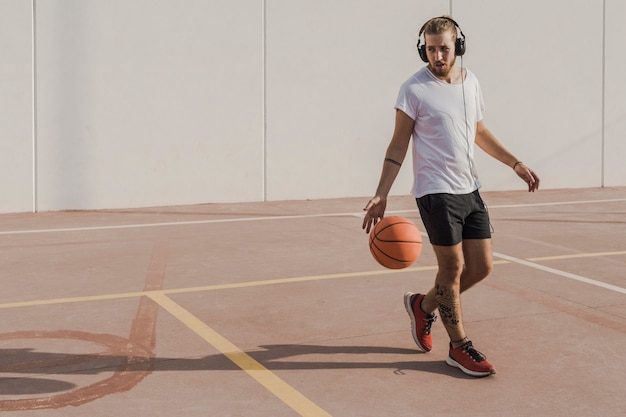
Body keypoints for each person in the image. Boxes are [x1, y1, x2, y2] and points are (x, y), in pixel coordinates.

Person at [362, 16, 540, 378]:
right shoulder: (414, 90)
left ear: (457, 46)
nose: (438, 56)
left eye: (444, 48)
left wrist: (514, 163)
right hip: (435, 191)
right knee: (452, 269)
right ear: (422, 49)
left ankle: (422, 306)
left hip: (469, 188)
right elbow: (398, 145)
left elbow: (479, 131)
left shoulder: (470, 82)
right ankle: (459, 347)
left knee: (482, 267)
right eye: (431, 49)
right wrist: (381, 193)